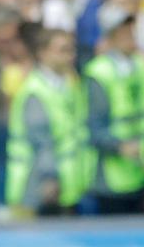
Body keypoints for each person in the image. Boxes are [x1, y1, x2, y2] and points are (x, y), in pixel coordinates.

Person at [5, 28, 91, 216]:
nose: (69, 56)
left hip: (68, 185)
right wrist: (48, 178)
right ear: (42, 53)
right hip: (38, 188)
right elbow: (41, 141)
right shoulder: (35, 91)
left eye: (71, 50)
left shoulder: (70, 84)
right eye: (62, 50)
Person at [84, 10, 144, 215]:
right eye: (122, 32)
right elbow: (93, 125)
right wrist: (119, 145)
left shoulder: (140, 66)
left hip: (138, 170)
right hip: (109, 175)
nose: (129, 36)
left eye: (130, 31)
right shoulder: (99, 72)